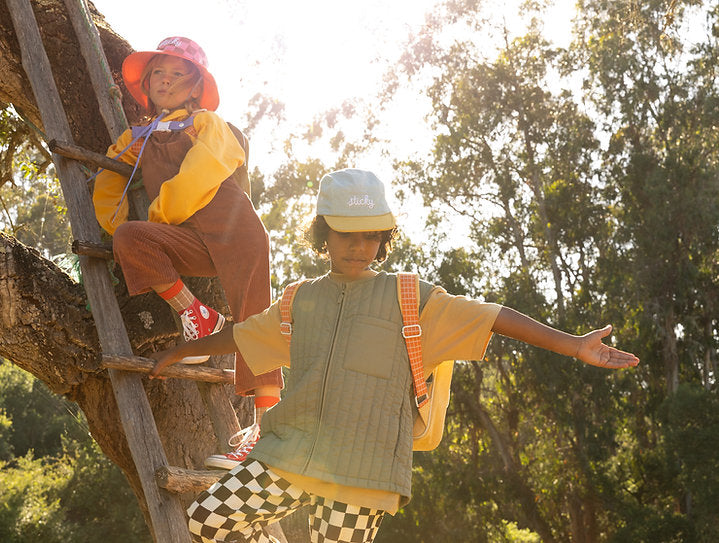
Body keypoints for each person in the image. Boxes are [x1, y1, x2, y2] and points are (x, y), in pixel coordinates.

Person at [150, 168, 640, 542]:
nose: (359, 246)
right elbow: (242, 335)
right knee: (203, 521)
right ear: (324, 235)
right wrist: (181, 352)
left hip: (360, 473)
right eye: (346, 234)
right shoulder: (302, 298)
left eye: (370, 235)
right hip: (288, 455)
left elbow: (494, 316)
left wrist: (574, 345)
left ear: (384, 239)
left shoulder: (411, 297)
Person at [92, 36, 282, 469]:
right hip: (190, 239)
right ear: (146, 83)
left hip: (234, 232)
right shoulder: (137, 136)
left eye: (178, 75)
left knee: (256, 323)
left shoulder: (206, 123)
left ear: (196, 87)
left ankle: (263, 431)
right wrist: (119, 221)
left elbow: (204, 171)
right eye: (159, 72)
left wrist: (162, 211)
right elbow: (108, 181)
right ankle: (196, 314)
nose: (166, 80)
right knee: (129, 240)